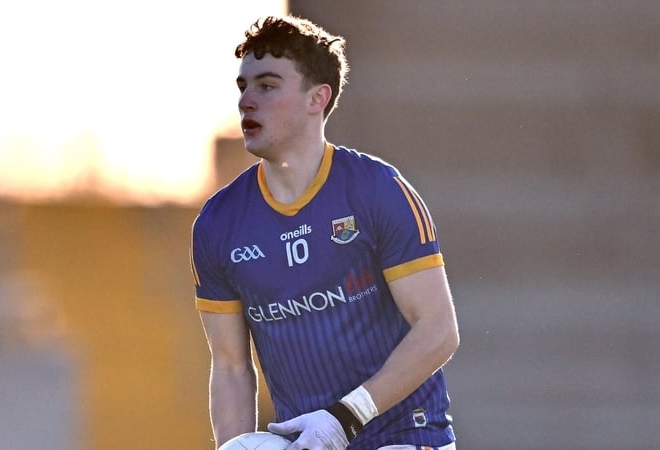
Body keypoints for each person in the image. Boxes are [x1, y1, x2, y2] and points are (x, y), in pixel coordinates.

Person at [191, 14, 460, 450]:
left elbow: (439, 331)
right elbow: (230, 366)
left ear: (318, 98)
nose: (246, 101)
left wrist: (344, 419)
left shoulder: (379, 190)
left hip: (407, 438)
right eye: (243, 87)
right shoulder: (217, 223)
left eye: (267, 85)